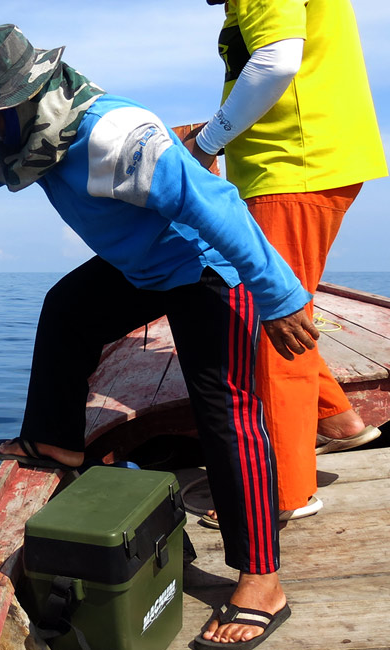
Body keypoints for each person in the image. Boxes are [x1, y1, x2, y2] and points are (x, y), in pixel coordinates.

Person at [0, 24, 319, 650]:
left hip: (206, 267)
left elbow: (218, 205)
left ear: (30, 91)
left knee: (225, 412)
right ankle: (58, 444)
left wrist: (279, 296)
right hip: (143, 267)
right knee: (67, 309)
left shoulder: (119, 138)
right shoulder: (24, 138)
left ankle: (263, 582)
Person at [184, 0, 387, 522]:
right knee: (280, 307)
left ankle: (284, 493)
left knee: (271, 325)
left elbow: (275, 59)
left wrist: (207, 143)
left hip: (294, 169)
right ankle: (336, 420)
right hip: (301, 165)